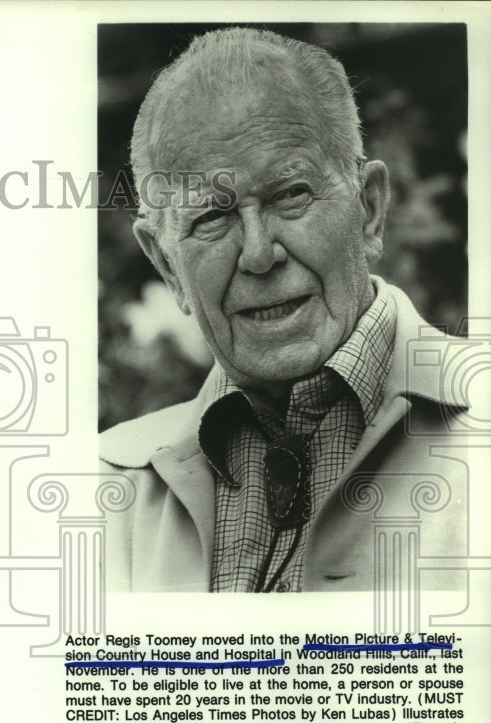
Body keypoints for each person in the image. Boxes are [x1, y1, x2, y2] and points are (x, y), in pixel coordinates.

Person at [101, 28, 476, 593]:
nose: (258, 254)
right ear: (169, 266)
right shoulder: (102, 489)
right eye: (210, 219)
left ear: (369, 209)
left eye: (290, 195)